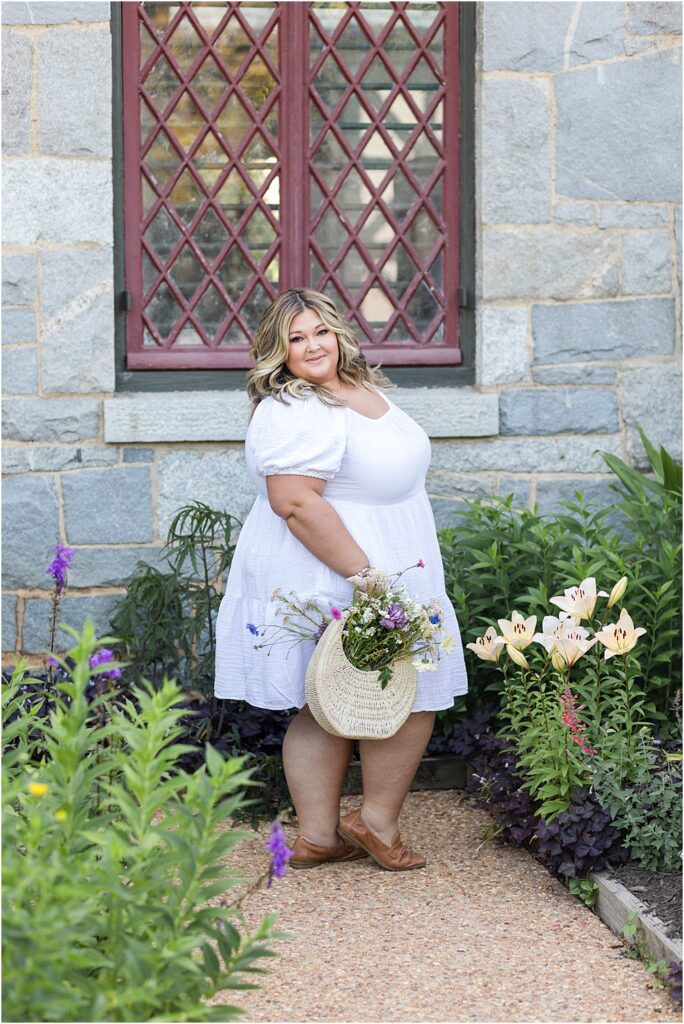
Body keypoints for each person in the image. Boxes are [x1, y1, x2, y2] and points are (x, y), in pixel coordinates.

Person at [214, 288, 468, 871]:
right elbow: (296, 502)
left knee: (342, 698)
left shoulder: (356, 388)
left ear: (338, 333)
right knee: (399, 692)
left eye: (320, 332)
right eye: (295, 338)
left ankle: (325, 835)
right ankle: (369, 824)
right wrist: (369, 578)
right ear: (276, 350)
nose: (311, 345)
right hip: (340, 568)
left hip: (386, 559)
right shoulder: (297, 407)